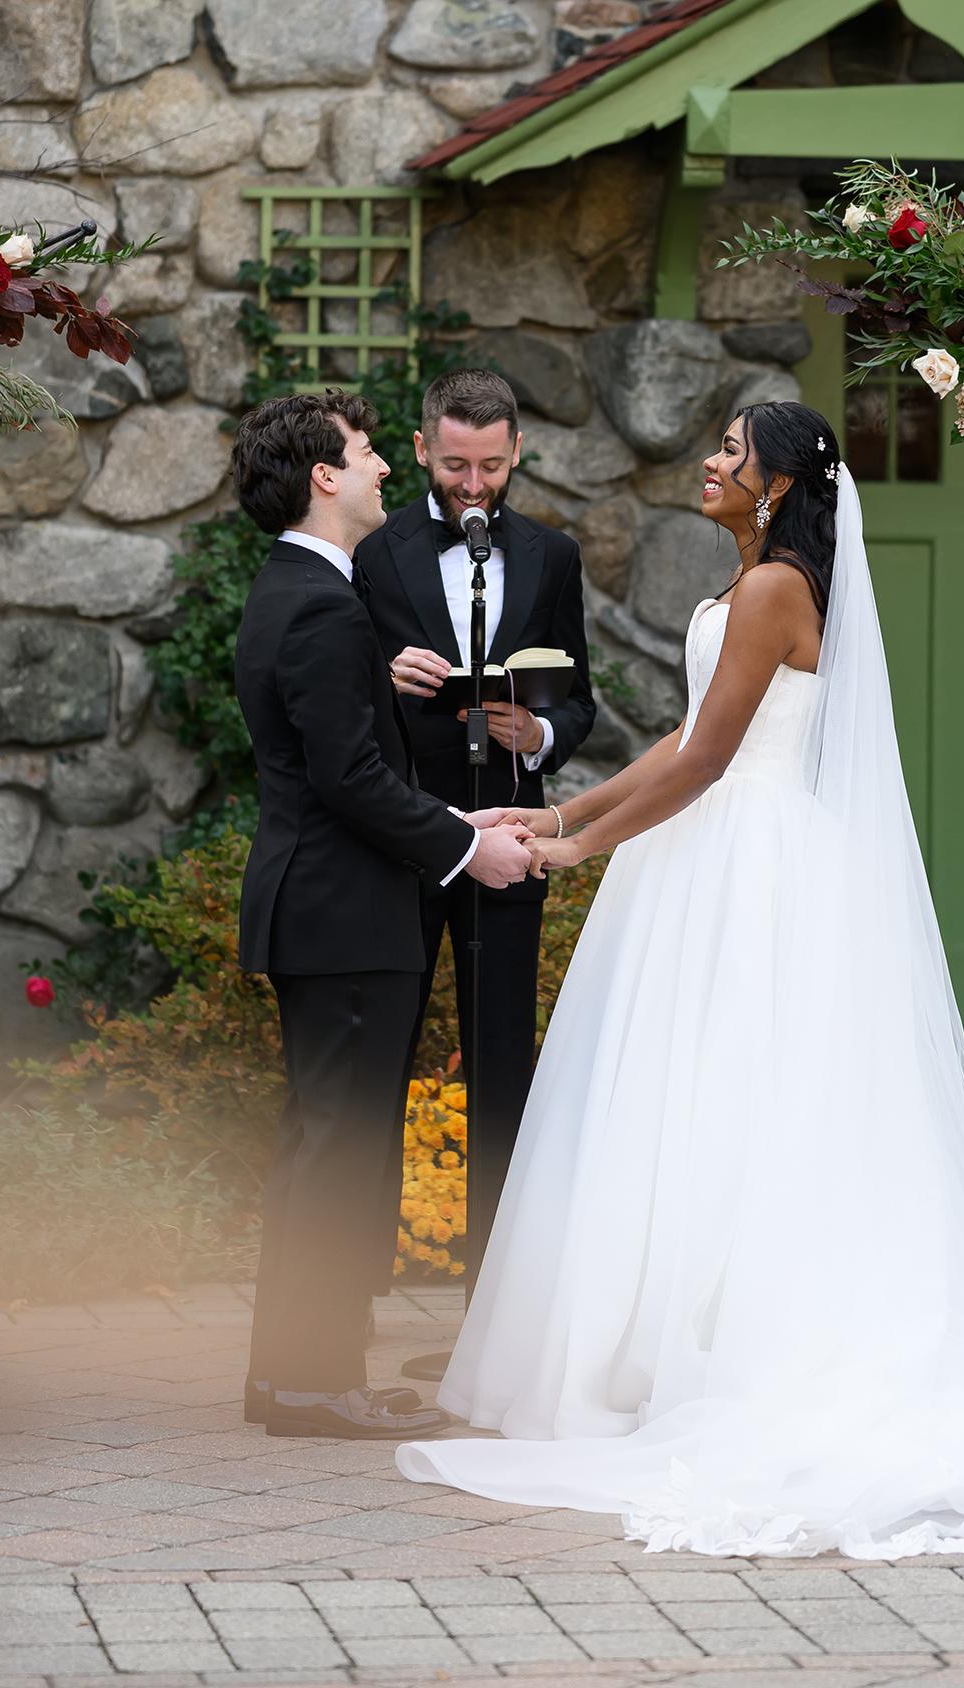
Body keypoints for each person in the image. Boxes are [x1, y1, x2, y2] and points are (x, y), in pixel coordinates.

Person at [398, 400, 964, 1557]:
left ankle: (725, 1348)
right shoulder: (750, 583)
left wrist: (572, 851)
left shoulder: (770, 592)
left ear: (779, 483)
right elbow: (681, 739)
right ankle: (668, 1344)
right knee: (694, 1106)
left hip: (748, 865)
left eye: (729, 452)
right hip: (712, 853)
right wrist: (560, 804)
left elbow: (709, 761)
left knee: (734, 1103)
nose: (708, 462)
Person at [233, 391, 531, 1441]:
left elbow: (342, 773)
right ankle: (315, 1383)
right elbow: (348, 777)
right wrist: (467, 848)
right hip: (343, 915)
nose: (381, 471)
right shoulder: (322, 602)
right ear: (324, 475)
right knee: (342, 1151)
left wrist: (456, 810)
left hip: (330, 907)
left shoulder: (302, 587)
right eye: (365, 454)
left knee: (325, 1145)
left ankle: (294, 1376)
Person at [358, 369, 596, 1262]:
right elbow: (335, 697)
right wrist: (382, 680)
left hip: (509, 841)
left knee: (504, 1065)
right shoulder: (374, 553)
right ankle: (360, 1288)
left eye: (490, 465)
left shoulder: (552, 556)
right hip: (401, 841)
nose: (472, 484)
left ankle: (495, 1292)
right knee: (384, 1060)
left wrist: (535, 731)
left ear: (516, 452)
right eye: (455, 463)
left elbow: (581, 703)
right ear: (423, 449)